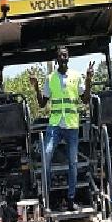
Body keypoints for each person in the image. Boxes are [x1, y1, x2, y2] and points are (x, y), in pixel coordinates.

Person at [29, 46, 94, 211]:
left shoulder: (76, 76)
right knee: (47, 156)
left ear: (68, 58)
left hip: (71, 125)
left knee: (73, 163)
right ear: (57, 60)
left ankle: (71, 199)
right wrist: (36, 87)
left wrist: (88, 80)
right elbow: (42, 103)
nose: (63, 58)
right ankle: (48, 197)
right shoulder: (50, 78)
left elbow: (85, 100)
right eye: (60, 56)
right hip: (55, 124)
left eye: (65, 56)